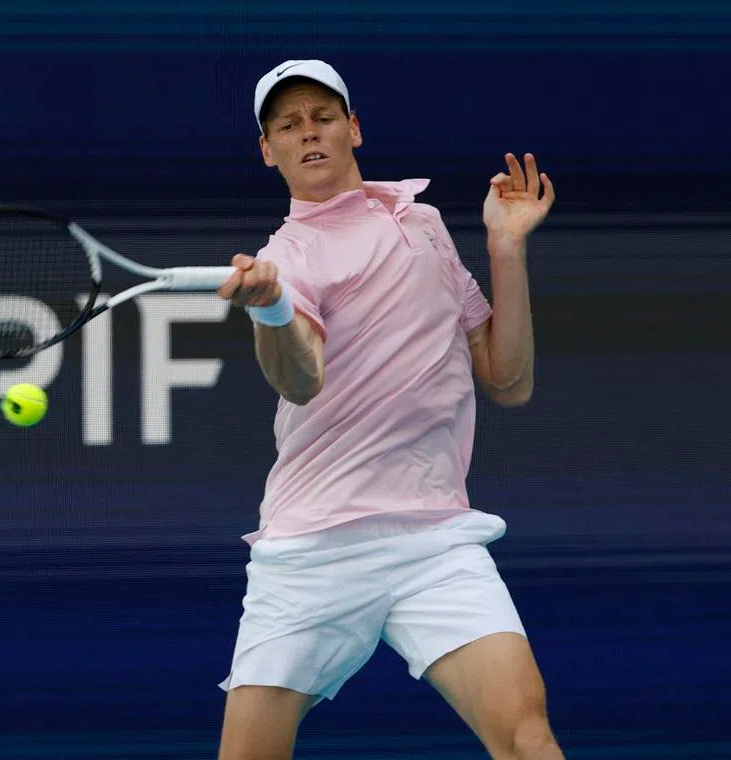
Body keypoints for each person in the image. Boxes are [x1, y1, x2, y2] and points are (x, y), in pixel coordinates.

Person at [214, 60, 562, 760]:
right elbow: (301, 378)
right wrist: (274, 311)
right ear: (267, 150)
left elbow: (507, 377)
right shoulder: (294, 252)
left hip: (433, 538)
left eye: (322, 117)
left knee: (527, 736)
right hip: (316, 545)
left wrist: (505, 245)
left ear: (354, 128)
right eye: (287, 125)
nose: (308, 134)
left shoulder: (423, 222)